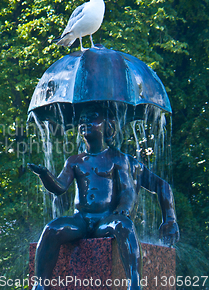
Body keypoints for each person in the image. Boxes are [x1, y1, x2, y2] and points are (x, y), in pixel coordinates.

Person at [28, 104, 179, 290]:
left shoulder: (117, 158)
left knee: (123, 225)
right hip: (80, 221)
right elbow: (59, 188)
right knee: (51, 229)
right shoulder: (74, 161)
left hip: (106, 220)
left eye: (92, 118)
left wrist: (127, 210)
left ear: (108, 125)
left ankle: (134, 282)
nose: (84, 123)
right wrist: (45, 175)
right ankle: (41, 285)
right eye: (82, 120)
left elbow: (127, 190)